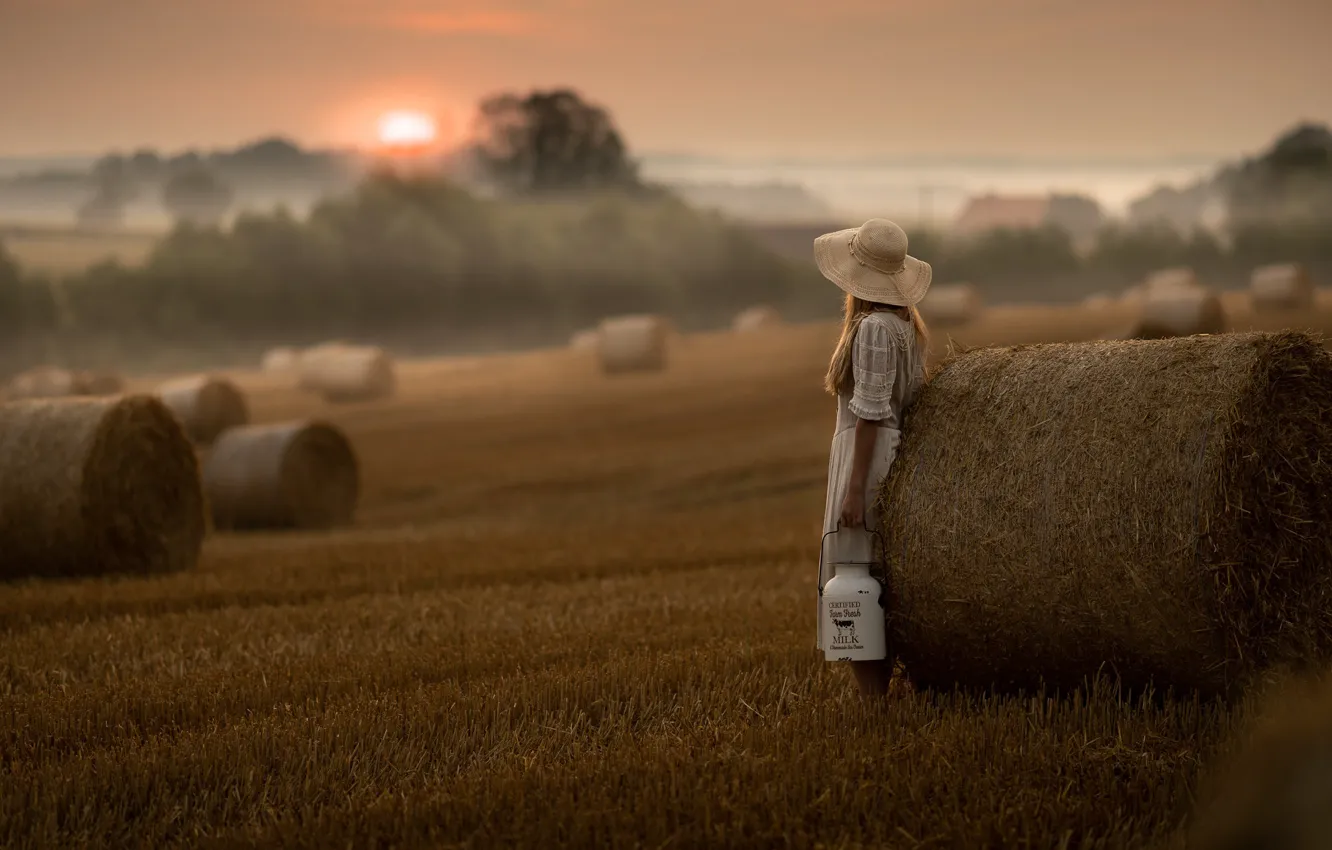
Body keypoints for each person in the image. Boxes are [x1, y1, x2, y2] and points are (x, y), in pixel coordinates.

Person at [813, 218, 931, 697]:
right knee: (879, 579)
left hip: (868, 457)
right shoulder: (905, 326)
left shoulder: (874, 330)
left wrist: (855, 490)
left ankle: (872, 704)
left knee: (856, 582)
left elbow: (870, 413)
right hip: (891, 452)